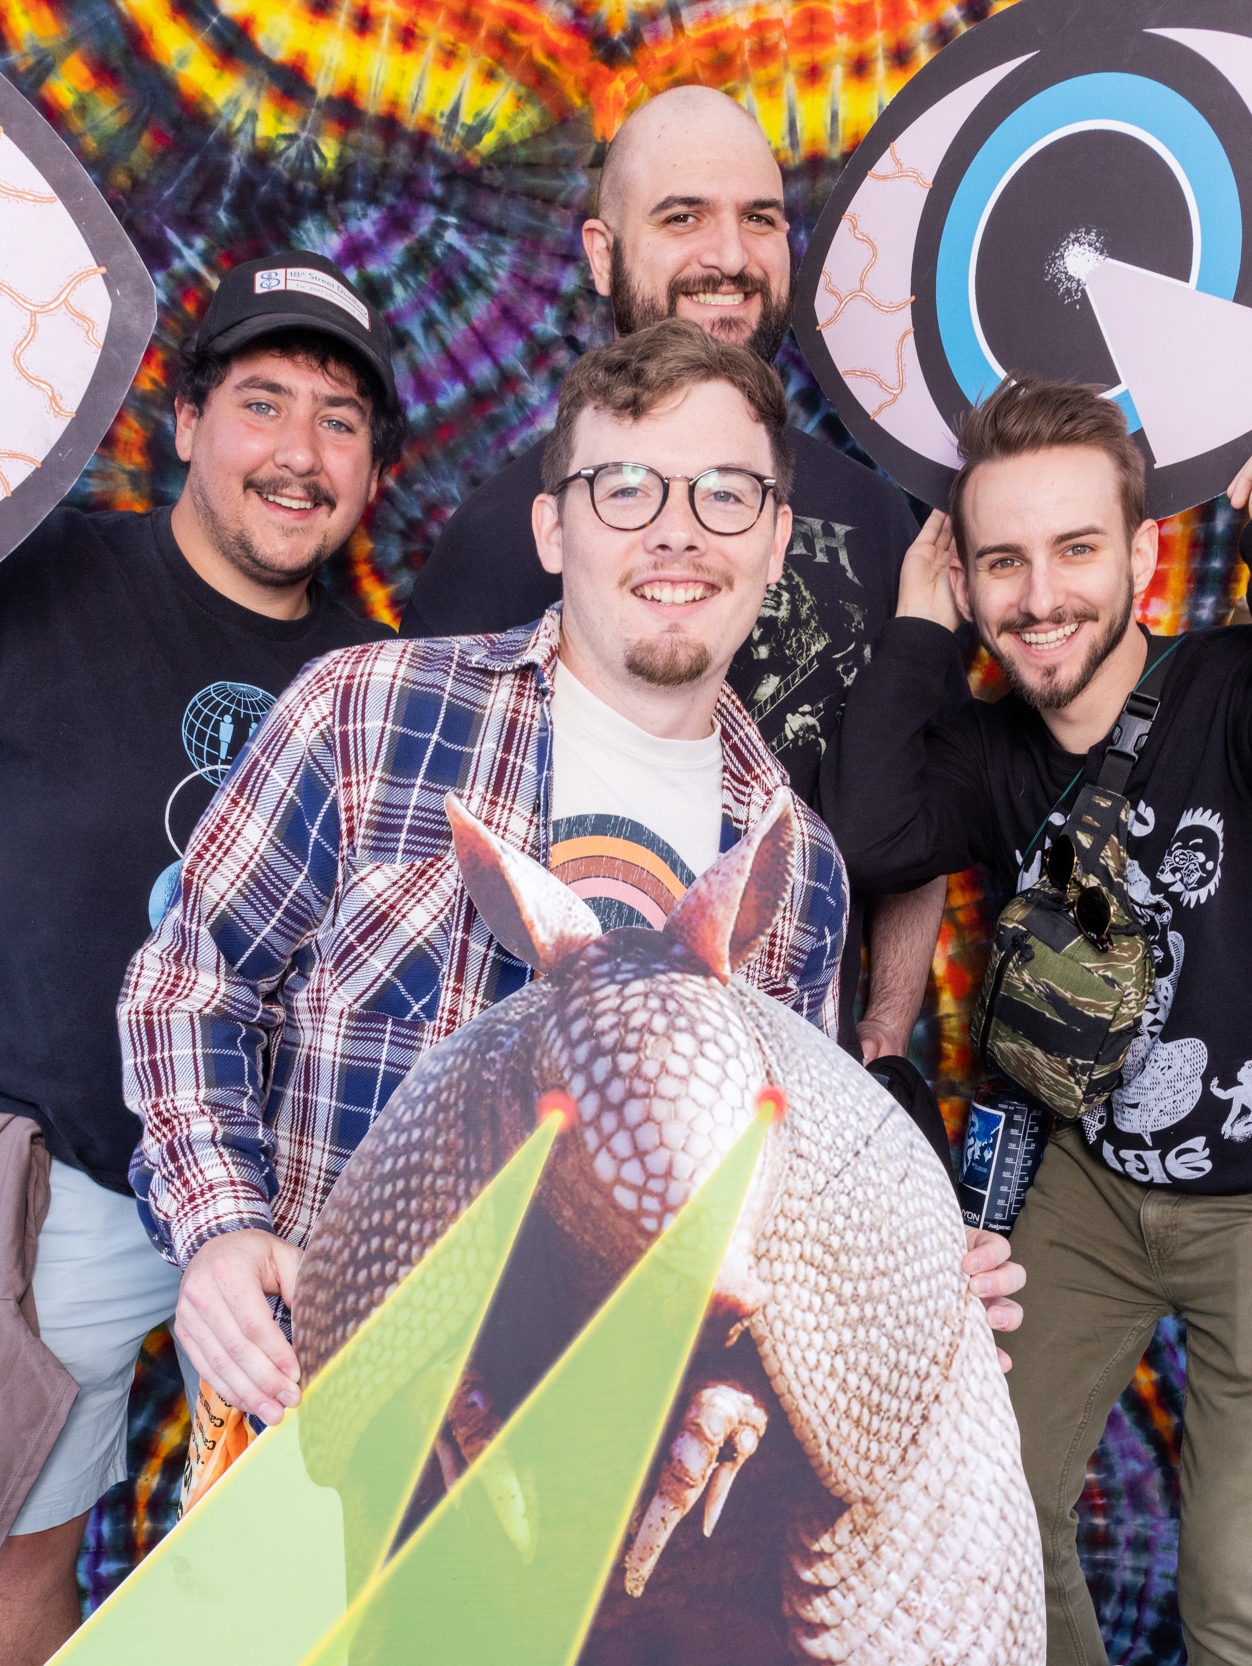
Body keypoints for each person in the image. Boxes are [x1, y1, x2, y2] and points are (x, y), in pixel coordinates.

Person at [121, 321, 1024, 1666]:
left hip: (637, 1505)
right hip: (388, 1424)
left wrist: (916, 1273)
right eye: (626, 488)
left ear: (775, 538)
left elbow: (779, 1175)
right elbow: (190, 983)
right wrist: (222, 1227)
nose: (674, 529)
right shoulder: (367, 714)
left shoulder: (792, 866)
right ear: (554, 525)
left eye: (722, 494)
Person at [0, 250, 403, 1666]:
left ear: (370, 470)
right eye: (262, 401)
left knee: (276, 1562)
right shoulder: (37, 575)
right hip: (62, 1182)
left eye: (338, 419)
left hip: (290, 1203)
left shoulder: (380, 675)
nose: (298, 450)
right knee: (25, 1541)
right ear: (185, 423)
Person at [819, 374, 1252, 1666]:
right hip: (1085, 1188)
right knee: (976, 1505)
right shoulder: (994, 750)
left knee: (1231, 1580)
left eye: (1076, 549)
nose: (1041, 594)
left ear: (1143, 553)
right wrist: (919, 627)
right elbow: (869, 827)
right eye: (1002, 560)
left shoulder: (1223, 684)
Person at [401, 84, 955, 1067]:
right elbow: (417, 854)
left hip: (778, 1085)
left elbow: (919, 811)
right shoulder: (498, 532)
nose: (730, 256)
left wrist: (882, 1034)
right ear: (601, 253)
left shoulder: (877, 518)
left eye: (761, 219)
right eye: (682, 216)